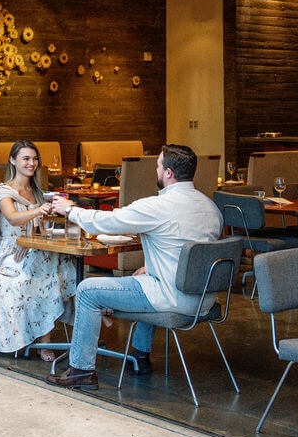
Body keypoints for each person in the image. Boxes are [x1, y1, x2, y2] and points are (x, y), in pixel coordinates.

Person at [45, 144, 222, 390]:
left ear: (168, 173)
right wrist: (151, 267)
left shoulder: (157, 206)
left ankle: (81, 370)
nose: (156, 170)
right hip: (204, 299)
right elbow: (187, 249)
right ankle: (140, 355)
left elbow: (107, 222)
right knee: (145, 279)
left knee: (86, 291)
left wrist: (71, 210)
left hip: (173, 298)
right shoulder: (210, 207)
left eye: (158, 166)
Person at [0, 140, 76, 359]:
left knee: (64, 261)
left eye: (34, 158)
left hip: (35, 247)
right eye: (26, 158)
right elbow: (12, 218)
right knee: (48, 269)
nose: (31, 163)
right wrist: (38, 211)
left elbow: (40, 228)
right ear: (13, 161)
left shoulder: (38, 191)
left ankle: (63, 332)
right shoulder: (3, 191)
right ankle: (45, 341)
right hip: (10, 253)